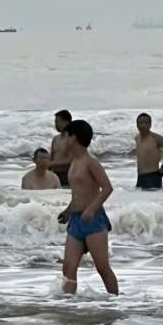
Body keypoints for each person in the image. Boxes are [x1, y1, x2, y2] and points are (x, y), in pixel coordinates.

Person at [57, 119, 119, 294]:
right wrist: (68, 211)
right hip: (76, 221)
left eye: (66, 136)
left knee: (102, 268)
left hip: (94, 220)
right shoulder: (74, 162)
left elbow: (107, 187)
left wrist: (91, 209)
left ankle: (116, 302)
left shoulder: (90, 161)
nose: (64, 140)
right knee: (68, 269)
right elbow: (78, 193)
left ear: (74, 138)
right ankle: (68, 305)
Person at [135, 113, 163, 189]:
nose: (143, 125)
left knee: (153, 200)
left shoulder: (156, 138)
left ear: (150, 125)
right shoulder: (137, 138)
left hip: (153, 176)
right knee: (139, 200)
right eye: (140, 123)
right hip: (140, 176)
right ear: (137, 125)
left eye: (146, 123)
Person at [49, 110, 73, 185]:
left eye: (57, 121)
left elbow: (71, 160)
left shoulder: (72, 138)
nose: (55, 124)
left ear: (66, 122)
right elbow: (51, 157)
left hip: (68, 174)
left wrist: (51, 164)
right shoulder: (55, 139)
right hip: (54, 174)